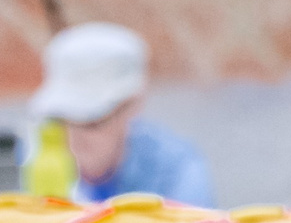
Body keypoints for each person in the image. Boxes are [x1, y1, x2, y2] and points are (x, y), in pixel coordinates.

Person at [25, 22, 216, 207]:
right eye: (59, 119)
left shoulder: (174, 170)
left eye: (91, 121)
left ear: (132, 106)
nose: (73, 134)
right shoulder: (24, 164)